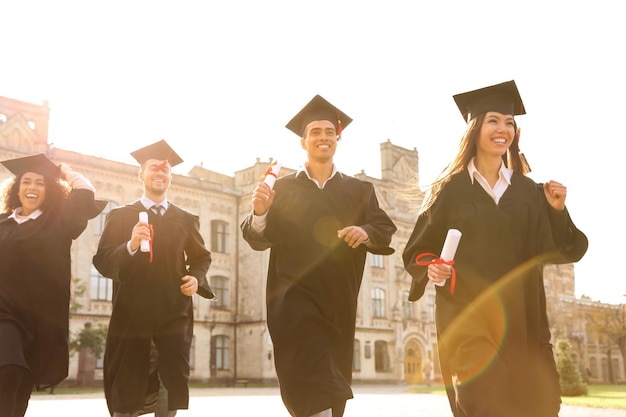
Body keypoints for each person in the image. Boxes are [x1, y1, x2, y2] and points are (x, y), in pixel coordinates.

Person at [402, 80, 588, 417]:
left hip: (523, 320)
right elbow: (417, 251)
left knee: (536, 406)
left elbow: (566, 250)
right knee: (486, 401)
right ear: (475, 129)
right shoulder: (450, 190)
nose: (503, 129)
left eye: (509, 122)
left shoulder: (530, 193)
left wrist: (558, 212)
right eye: (493, 121)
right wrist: (433, 267)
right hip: (467, 316)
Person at [241, 95, 397, 417]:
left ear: (338, 138)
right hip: (292, 298)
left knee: (327, 385)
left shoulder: (358, 190)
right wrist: (260, 212)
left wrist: (366, 232)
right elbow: (257, 236)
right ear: (303, 141)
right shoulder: (282, 189)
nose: (322, 137)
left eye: (329, 131)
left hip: (338, 300)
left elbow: (383, 227)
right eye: (315, 132)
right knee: (312, 368)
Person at [92, 140, 213, 417]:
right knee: (127, 389)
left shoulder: (184, 219)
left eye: (165, 169)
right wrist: (130, 245)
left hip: (173, 314)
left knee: (168, 388)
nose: (160, 173)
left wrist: (195, 278)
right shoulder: (121, 216)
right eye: (153, 168)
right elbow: (102, 261)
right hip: (131, 317)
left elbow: (201, 257)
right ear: (141, 175)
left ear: (170, 177)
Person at [0, 153, 105, 417]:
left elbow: (84, 191)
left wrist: (64, 171)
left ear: (50, 190)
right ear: (16, 188)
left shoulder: (59, 223)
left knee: (22, 385)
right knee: (9, 369)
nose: (32, 187)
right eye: (26, 181)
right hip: (4, 314)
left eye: (40, 183)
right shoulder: (1, 224)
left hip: (40, 319)